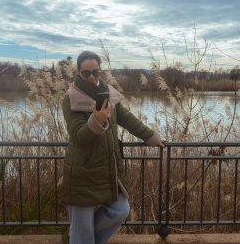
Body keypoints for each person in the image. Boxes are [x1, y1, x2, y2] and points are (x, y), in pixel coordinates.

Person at [62, 50, 165, 244]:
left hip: (108, 167)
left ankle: (76, 238)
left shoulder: (107, 93)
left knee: (120, 210)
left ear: (100, 71)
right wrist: (97, 120)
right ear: (78, 73)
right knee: (82, 228)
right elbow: (78, 136)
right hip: (82, 171)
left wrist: (151, 136)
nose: (92, 77)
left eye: (96, 72)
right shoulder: (70, 98)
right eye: (86, 73)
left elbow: (127, 119)